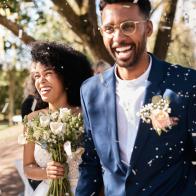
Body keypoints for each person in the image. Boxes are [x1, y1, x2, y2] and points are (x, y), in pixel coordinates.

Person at [76, 0, 196, 195]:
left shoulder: (186, 84)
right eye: (109, 28)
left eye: (128, 26)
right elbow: (91, 162)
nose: (118, 37)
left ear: (148, 28)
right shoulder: (90, 91)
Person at [23, 41, 93, 195]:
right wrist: (46, 172)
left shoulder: (87, 115)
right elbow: (27, 167)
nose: (40, 81)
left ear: (66, 78)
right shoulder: (32, 120)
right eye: (36, 76)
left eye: (48, 73)